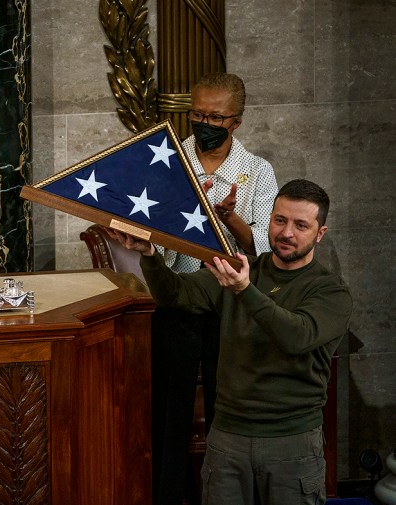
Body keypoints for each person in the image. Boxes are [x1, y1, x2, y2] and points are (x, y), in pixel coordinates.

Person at [104, 179, 351, 505]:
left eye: (301, 225)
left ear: (320, 233)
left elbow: (296, 337)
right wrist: (149, 254)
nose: (286, 233)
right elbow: (174, 294)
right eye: (280, 220)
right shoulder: (243, 270)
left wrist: (244, 291)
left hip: (291, 441)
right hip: (228, 436)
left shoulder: (331, 290)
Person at [151, 72, 279, 505]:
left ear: (236, 122)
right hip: (179, 301)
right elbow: (151, 229)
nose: (204, 122)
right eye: (197, 113)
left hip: (232, 307)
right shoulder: (169, 162)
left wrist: (233, 222)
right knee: (170, 413)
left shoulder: (258, 172)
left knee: (229, 412)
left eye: (215, 117)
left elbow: (269, 243)